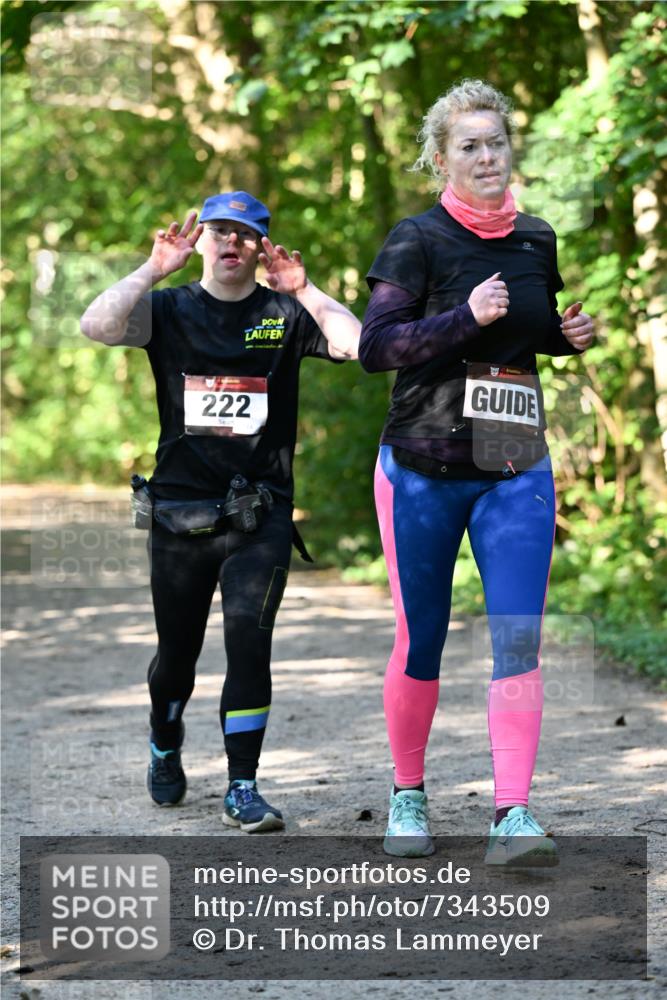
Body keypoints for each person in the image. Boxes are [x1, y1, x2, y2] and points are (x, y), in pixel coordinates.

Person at [359, 80, 594, 863]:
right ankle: (407, 795)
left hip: (514, 461)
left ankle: (512, 815)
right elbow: (376, 348)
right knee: (419, 635)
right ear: (440, 158)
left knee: (518, 638)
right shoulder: (414, 239)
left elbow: (527, 335)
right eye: (469, 146)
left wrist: (567, 336)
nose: (486, 156)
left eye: (495, 142)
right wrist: (466, 317)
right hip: (422, 464)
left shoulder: (535, 237)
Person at [81, 191, 360, 832]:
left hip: (259, 516)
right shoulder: (168, 309)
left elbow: (359, 344)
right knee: (177, 655)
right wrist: (152, 270)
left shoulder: (282, 313)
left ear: (260, 246)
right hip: (180, 516)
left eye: (245, 233)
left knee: (248, 647)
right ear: (200, 241)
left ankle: (242, 787)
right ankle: (164, 738)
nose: (231, 242)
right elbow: (94, 327)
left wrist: (307, 290)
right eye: (219, 231)